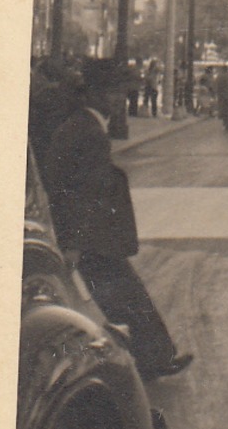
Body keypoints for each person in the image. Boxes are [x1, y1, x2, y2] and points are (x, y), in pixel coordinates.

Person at [42, 59, 193, 382]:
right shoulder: (88, 131)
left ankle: (153, 358)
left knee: (125, 300)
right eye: (114, 93)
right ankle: (150, 361)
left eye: (120, 93)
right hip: (92, 239)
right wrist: (74, 243)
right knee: (125, 301)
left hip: (92, 236)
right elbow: (77, 192)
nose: (120, 100)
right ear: (95, 95)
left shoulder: (82, 125)